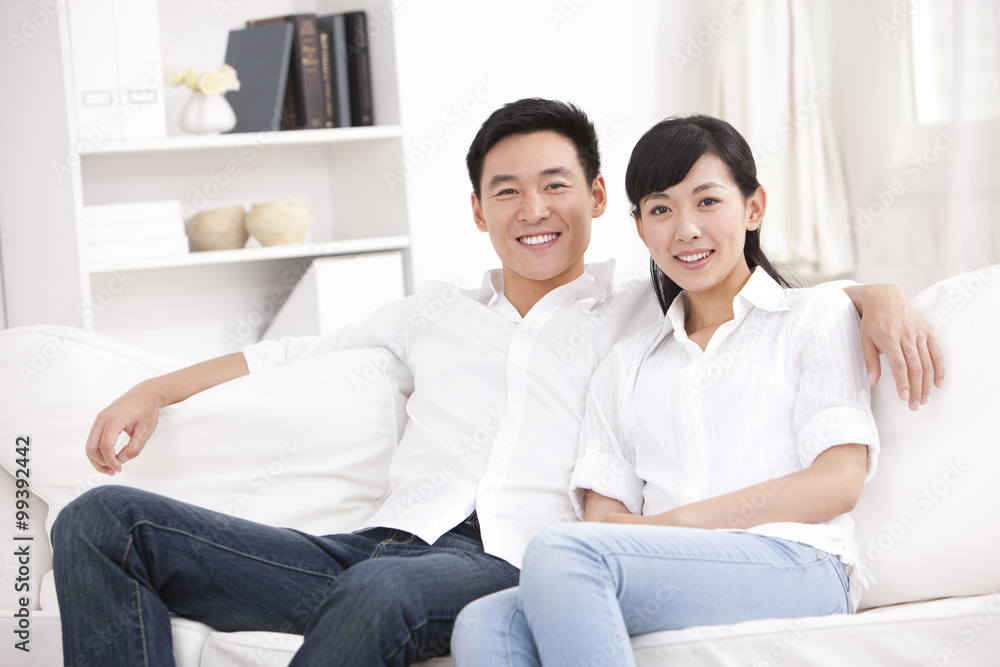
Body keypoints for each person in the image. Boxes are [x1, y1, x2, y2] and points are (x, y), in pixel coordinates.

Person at [53, 100, 941, 667]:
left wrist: (876, 295)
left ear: (598, 201)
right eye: (505, 190)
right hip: (380, 548)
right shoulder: (432, 310)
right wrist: (157, 389)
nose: (532, 209)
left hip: (504, 560)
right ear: (478, 211)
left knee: (385, 595)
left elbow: (743, 282)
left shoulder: (641, 304)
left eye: (555, 184)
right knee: (101, 521)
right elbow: (288, 354)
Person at [451, 114, 885, 667]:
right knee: (486, 620)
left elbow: (838, 481)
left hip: (797, 562)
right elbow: (605, 519)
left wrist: (675, 526)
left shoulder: (816, 315)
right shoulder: (626, 365)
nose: (686, 230)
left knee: (562, 556)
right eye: (661, 209)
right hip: (675, 569)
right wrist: (662, 539)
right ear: (640, 228)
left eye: (707, 202)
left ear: (753, 208)